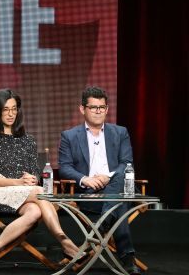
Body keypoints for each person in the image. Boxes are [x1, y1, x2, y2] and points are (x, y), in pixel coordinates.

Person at [0, 88, 81, 273]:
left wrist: (31, 179)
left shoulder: (29, 141)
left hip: (26, 194)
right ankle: (66, 243)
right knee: (41, 193)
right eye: (5, 109)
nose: (11, 114)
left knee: (35, 211)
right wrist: (19, 182)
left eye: (14, 109)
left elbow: (34, 173)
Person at [58, 86, 142, 275]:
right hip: (91, 195)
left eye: (101, 107)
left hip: (119, 188)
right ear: (82, 109)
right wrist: (85, 179)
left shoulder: (120, 133)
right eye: (93, 107)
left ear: (107, 109)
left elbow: (127, 163)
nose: (98, 111)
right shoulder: (69, 136)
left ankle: (101, 227)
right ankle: (127, 257)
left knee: (121, 174)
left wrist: (108, 177)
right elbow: (65, 168)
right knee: (119, 204)